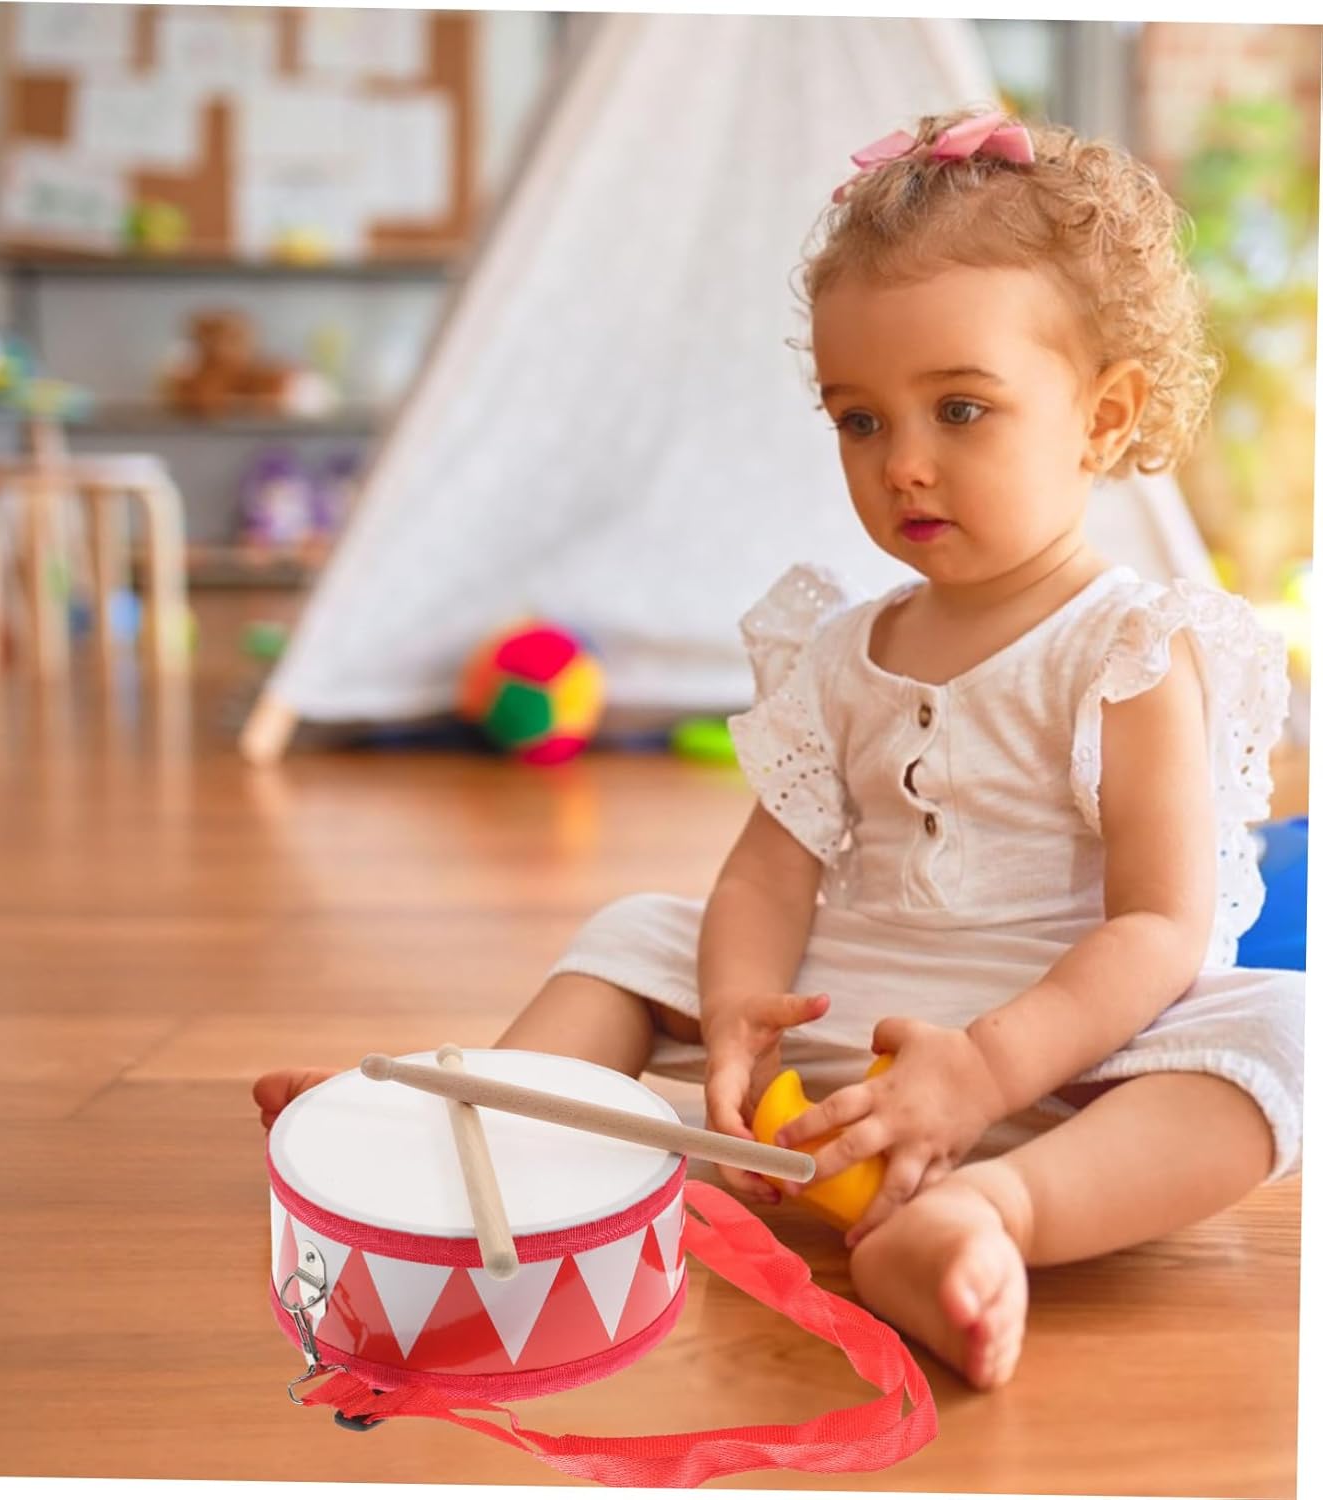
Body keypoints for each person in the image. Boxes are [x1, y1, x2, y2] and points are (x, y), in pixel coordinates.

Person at [254, 108, 1302, 1391]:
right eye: (859, 421)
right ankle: (479, 1130)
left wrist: (987, 1068)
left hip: (1064, 1057)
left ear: (1103, 414)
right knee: (639, 932)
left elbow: (1158, 927)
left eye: (959, 410)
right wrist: (740, 1006)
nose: (903, 465)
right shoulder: (844, 646)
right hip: (842, 1030)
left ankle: (992, 1213)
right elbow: (769, 866)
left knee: (1283, 1033)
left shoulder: (1131, 649)